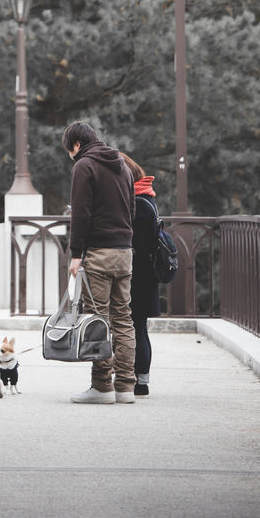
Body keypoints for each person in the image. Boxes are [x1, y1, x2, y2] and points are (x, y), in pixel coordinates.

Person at [62, 121, 136, 404]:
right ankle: (126, 387)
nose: (71, 155)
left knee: (98, 319)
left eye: (70, 150)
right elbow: (131, 208)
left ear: (77, 144)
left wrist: (76, 254)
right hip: (124, 252)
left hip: (99, 253)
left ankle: (102, 386)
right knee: (123, 319)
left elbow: (81, 214)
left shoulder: (84, 166)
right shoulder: (122, 165)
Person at [119, 152, 161, 397]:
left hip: (138, 274)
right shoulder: (146, 197)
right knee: (139, 327)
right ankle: (140, 379)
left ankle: (140, 380)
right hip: (146, 273)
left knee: (135, 327)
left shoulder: (137, 203)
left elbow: (134, 240)